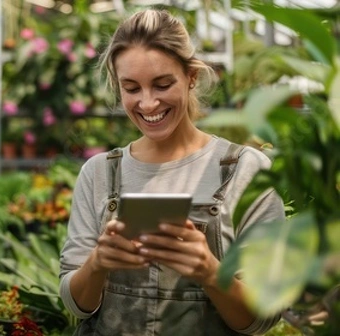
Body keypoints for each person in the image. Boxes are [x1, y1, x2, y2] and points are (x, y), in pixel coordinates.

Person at [59, 8, 285, 336]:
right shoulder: (98, 174)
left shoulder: (246, 170)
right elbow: (75, 304)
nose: (148, 103)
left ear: (191, 76)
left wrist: (210, 272)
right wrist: (97, 264)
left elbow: (264, 315)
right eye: (132, 88)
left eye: (163, 84)